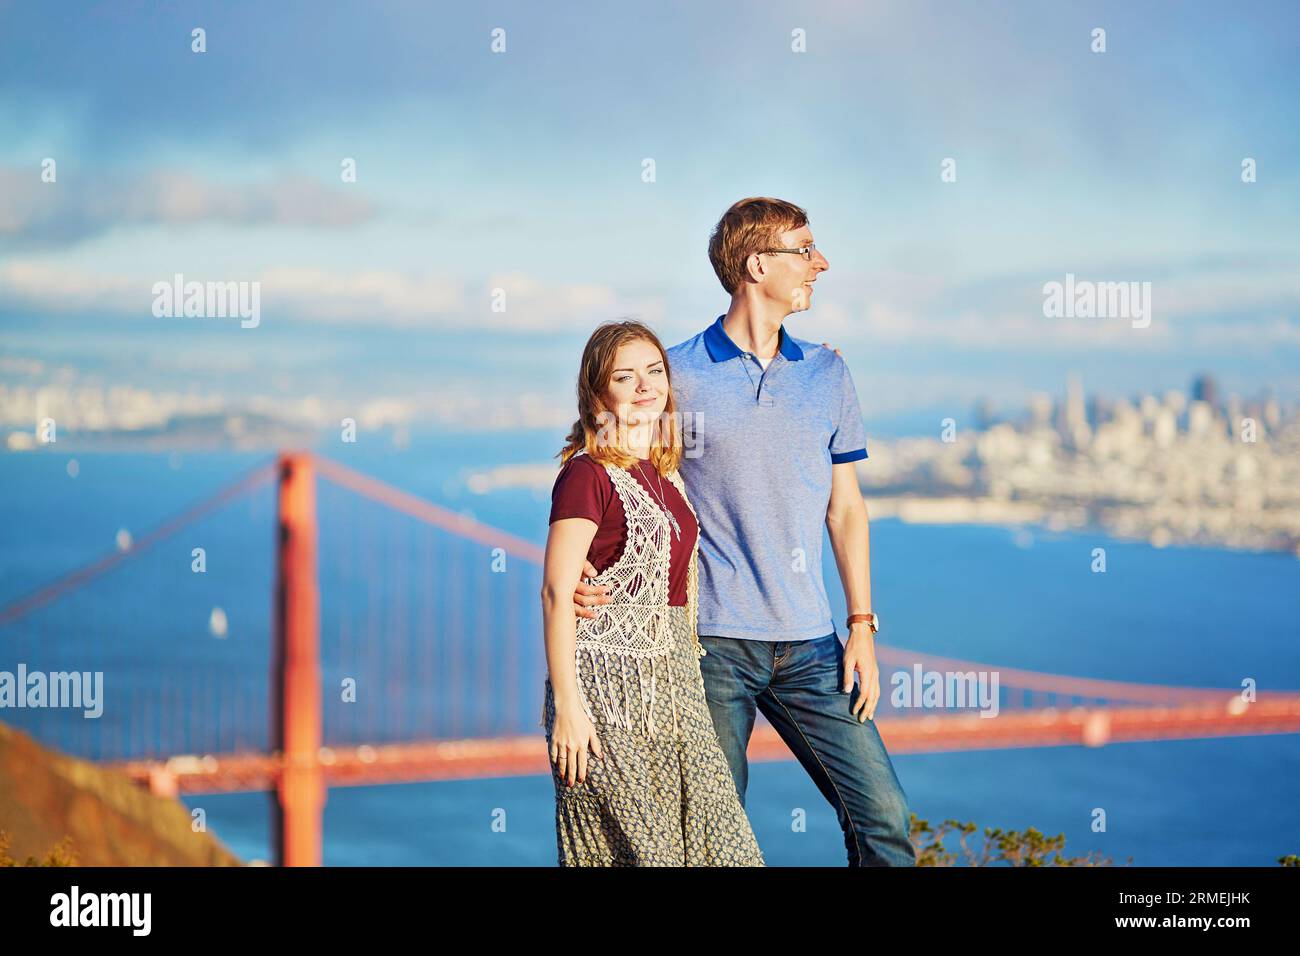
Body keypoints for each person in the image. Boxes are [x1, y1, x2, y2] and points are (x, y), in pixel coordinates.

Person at [573, 198, 916, 866]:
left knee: (885, 820)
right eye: (806, 249)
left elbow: (845, 508)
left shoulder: (828, 372)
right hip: (709, 647)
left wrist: (864, 626)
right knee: (709, 842)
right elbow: (612, 474)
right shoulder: (675, 376)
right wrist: (583, 568)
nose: (822, 263)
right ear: (757, 264)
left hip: (813, 645)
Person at [539, 319, 764, 867]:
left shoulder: (667, 473)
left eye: (654, 371)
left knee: (724, 850)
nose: (645, 386)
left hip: (678, 693)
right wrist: (569, 709)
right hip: (607, 697)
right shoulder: (585, 475)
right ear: (598, 392)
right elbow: (555, 590)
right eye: (624, 376)